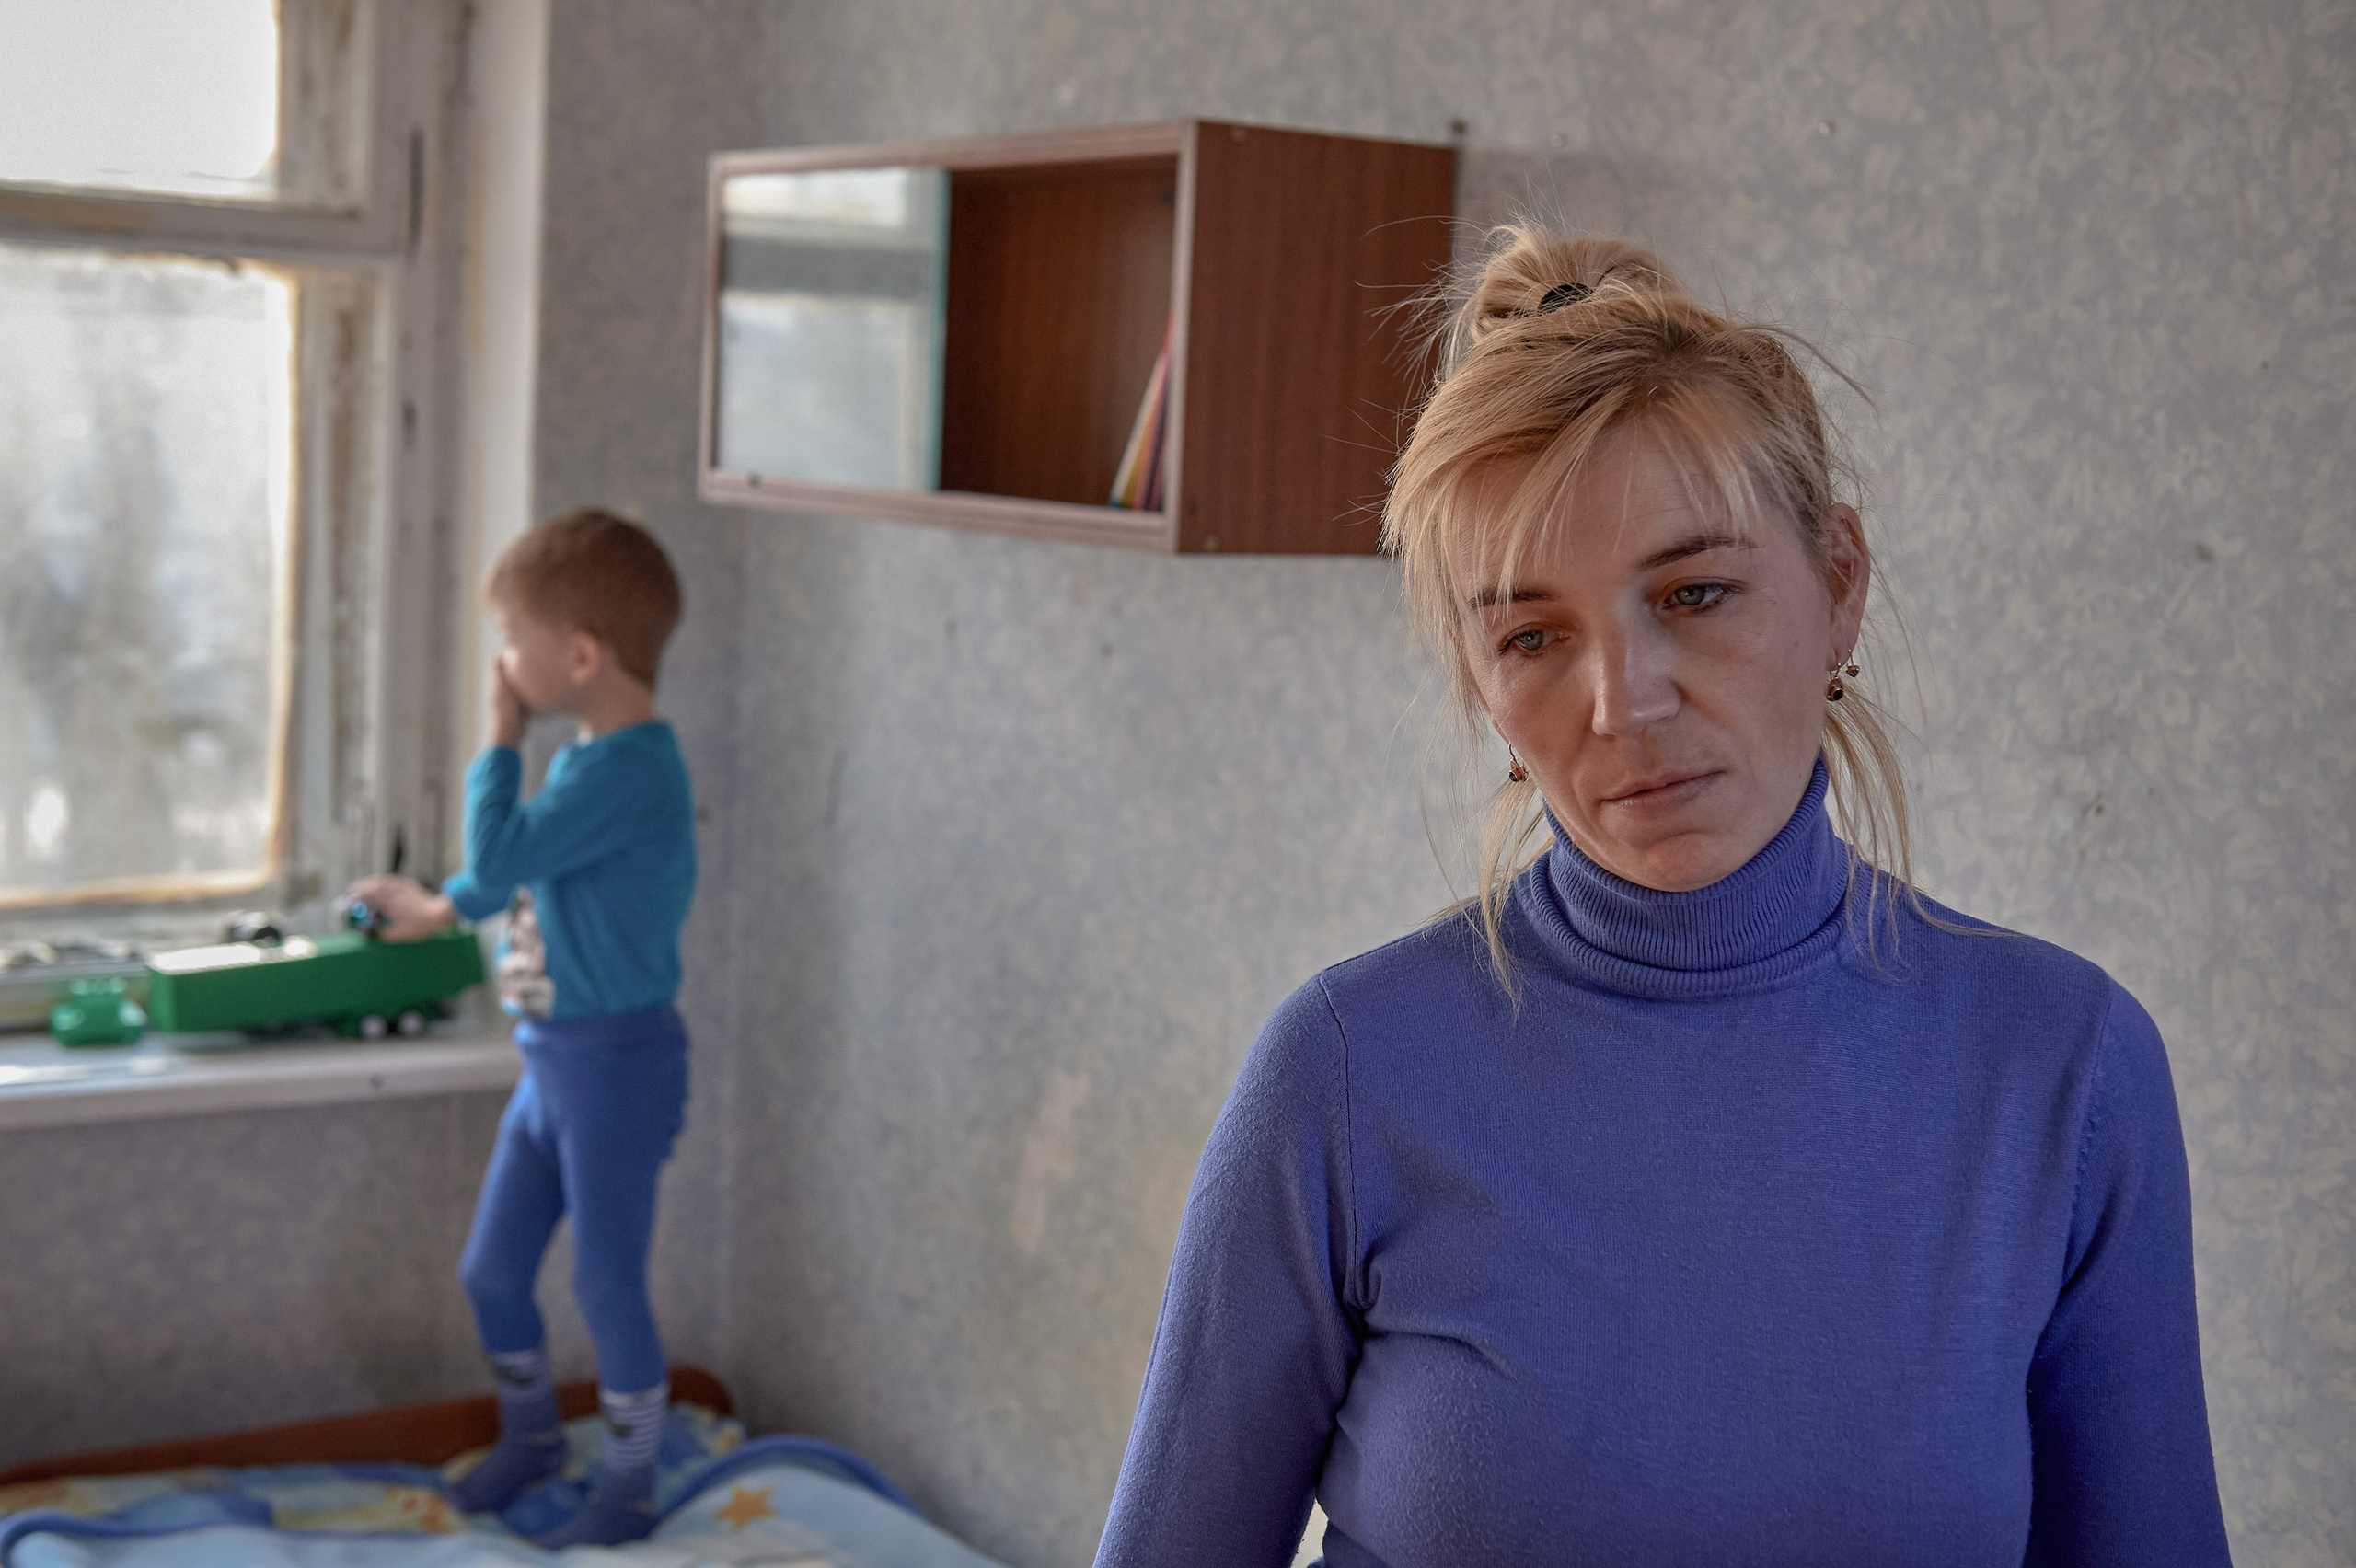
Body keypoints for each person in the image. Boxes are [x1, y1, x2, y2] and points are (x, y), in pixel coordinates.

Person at [1093, 231, 2230, 1567]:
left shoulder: (2065, 1070)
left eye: (1695, 594)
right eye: (1531, 635)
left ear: (1840, 587)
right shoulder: (1346, 1076)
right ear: (1480, 684)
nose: (1622, 702)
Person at [349, 508, 697, 1549]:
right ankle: (536, 1438)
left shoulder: (631, 769)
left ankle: (630, 1479)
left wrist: (498, 731)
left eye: (510, 639)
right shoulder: (596, 767)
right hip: (552, 1063)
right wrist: (433, 909)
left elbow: (504, 857)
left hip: (616, 1070)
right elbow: (520, 869)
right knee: (492, 1272)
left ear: (579, 656)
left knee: (603, 1280)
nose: (500, 661)